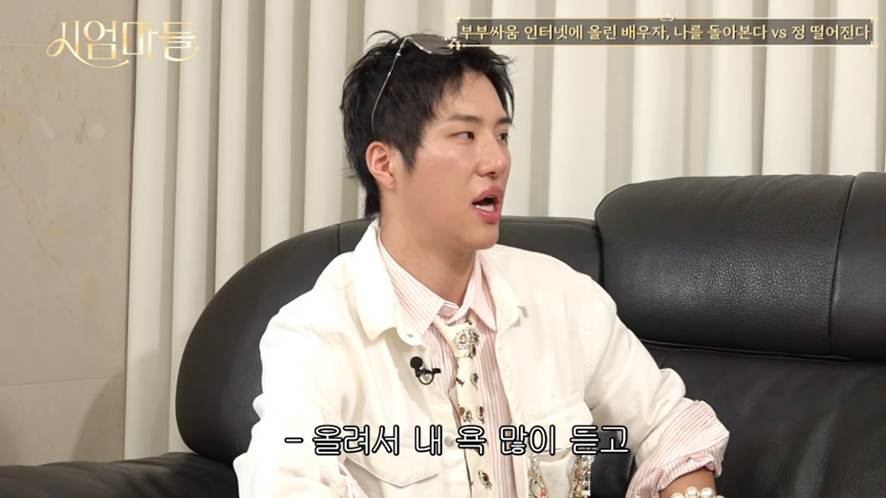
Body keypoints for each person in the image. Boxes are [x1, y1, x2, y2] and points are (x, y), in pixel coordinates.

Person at [233, 30, 729, 498]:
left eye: (502, 135)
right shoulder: (317, 335)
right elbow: (284, 483)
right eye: (466, 135)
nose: (497, 161)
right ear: (384, 163)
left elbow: (673, 429)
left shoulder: (561, 296)